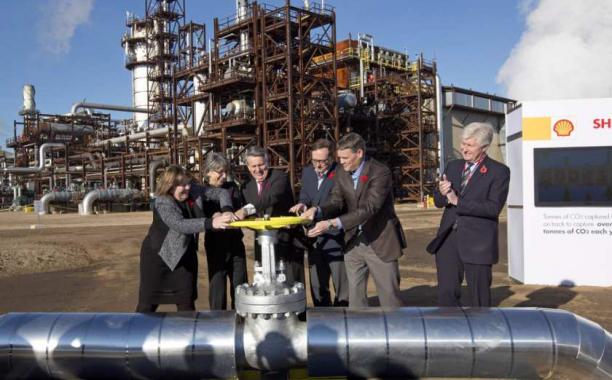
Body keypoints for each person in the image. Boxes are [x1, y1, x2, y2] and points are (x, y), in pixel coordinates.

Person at [304, 133, 406, 308]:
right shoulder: (342, 174)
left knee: (390, 299)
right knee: (355, 301)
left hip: (379, 241)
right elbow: (336, 201)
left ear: (359, 153)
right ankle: (359, 332)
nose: (341, 162)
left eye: (345, 158)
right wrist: (318, 210)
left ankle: (396, 332)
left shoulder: (380, 172)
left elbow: (369, 209)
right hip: (353, 242)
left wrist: (332, 223)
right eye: (339, 158)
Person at [427, 122, 510, 307]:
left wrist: (458, 201)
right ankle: (449, 330)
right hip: (448, 239)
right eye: (463, 143)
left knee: (479, 298)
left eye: (470, 145)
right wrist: (442, 193)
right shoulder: (453, 166)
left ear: (484, 147)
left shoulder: (499, 172)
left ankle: (481, 332)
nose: (464, 149)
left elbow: (493, 208)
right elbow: (440, 202)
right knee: (446, 294)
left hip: (478, 242)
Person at [136, 165, 234, 313]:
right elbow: (179, 224)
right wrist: (211, 223)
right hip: (158, 258)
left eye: (188, 183)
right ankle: (135, 334)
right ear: (169, 185)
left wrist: (227, 211)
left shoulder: (194, 190)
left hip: (184, 257)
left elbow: (222, 193)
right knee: (147, 305)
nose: (187, 187)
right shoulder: (162, 202)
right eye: (181, 185)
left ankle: (189, 335)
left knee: (186, 304)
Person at [289, 139, 348, 307]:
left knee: (342, 287)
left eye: (323, 161)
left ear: (332, 157)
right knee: (317, 287)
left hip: (336, 238)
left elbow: (339, 204)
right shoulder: (308, 172)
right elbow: (305, 195)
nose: (319, 165)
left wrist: (316, 210)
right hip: (314, 239)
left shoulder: (341, 173)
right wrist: (302, 204)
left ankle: (342, 320)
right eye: (315, 160)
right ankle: (322, 321)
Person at [242, 146, 305, 285]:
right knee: (265, 285)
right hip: (262, 243)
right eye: (253, 166)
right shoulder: (246, 186)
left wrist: (246, 210)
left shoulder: (279, 177)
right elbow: (246, 217)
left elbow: (269, 198)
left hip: (287, 242)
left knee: (292, 287)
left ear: (268, 162)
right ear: (248, 166)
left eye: (261, 165)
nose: (257, 170)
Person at [201, 153, 248, 310]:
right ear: (208, 172)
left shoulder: (232, 188)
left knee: (240, 288)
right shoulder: (201, 193)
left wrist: (244, 211)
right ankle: (217, 325)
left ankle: (241, 322)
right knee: (217, 290)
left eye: (225, 171)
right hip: (216, 246)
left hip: (235, 242)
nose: (223, 175)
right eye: (219, 172)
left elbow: (244, 206)